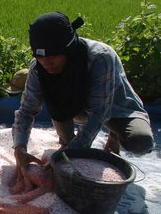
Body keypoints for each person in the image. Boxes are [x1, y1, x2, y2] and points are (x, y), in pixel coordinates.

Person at [11, 11, 154, 194]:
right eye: (40, 56)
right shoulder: (39, 68)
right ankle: (67, 142)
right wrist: (19, 148)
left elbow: (99, 114)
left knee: (140, 142)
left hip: (117, 109)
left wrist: (65, 157)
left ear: (68, 49)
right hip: (76, 108)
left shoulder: (100, 58)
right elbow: (26, 111)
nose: (46, 62)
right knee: (69, 149)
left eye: (53, 56)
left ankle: (114, 135)